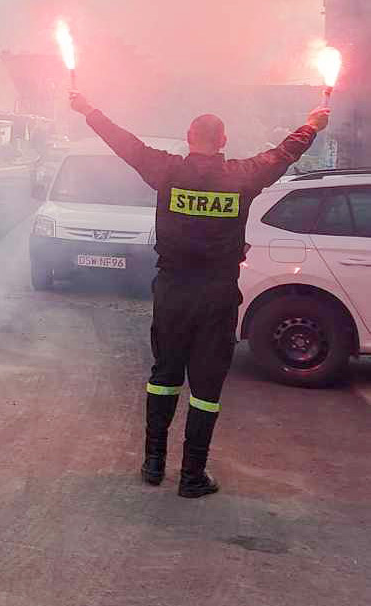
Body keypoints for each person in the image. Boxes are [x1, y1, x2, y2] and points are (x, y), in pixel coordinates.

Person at [69, 92, 328, 498]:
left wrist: (88, 110)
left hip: (172, 291)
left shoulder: (166, 171)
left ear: (188, 138)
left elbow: (124, 143)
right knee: (206, 387)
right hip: (216, 295)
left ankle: (152, 464)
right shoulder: (242, 175)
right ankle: (192, 476)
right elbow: (283, 154)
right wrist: (312, 125)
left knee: (164, 375)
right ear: (223, 141)